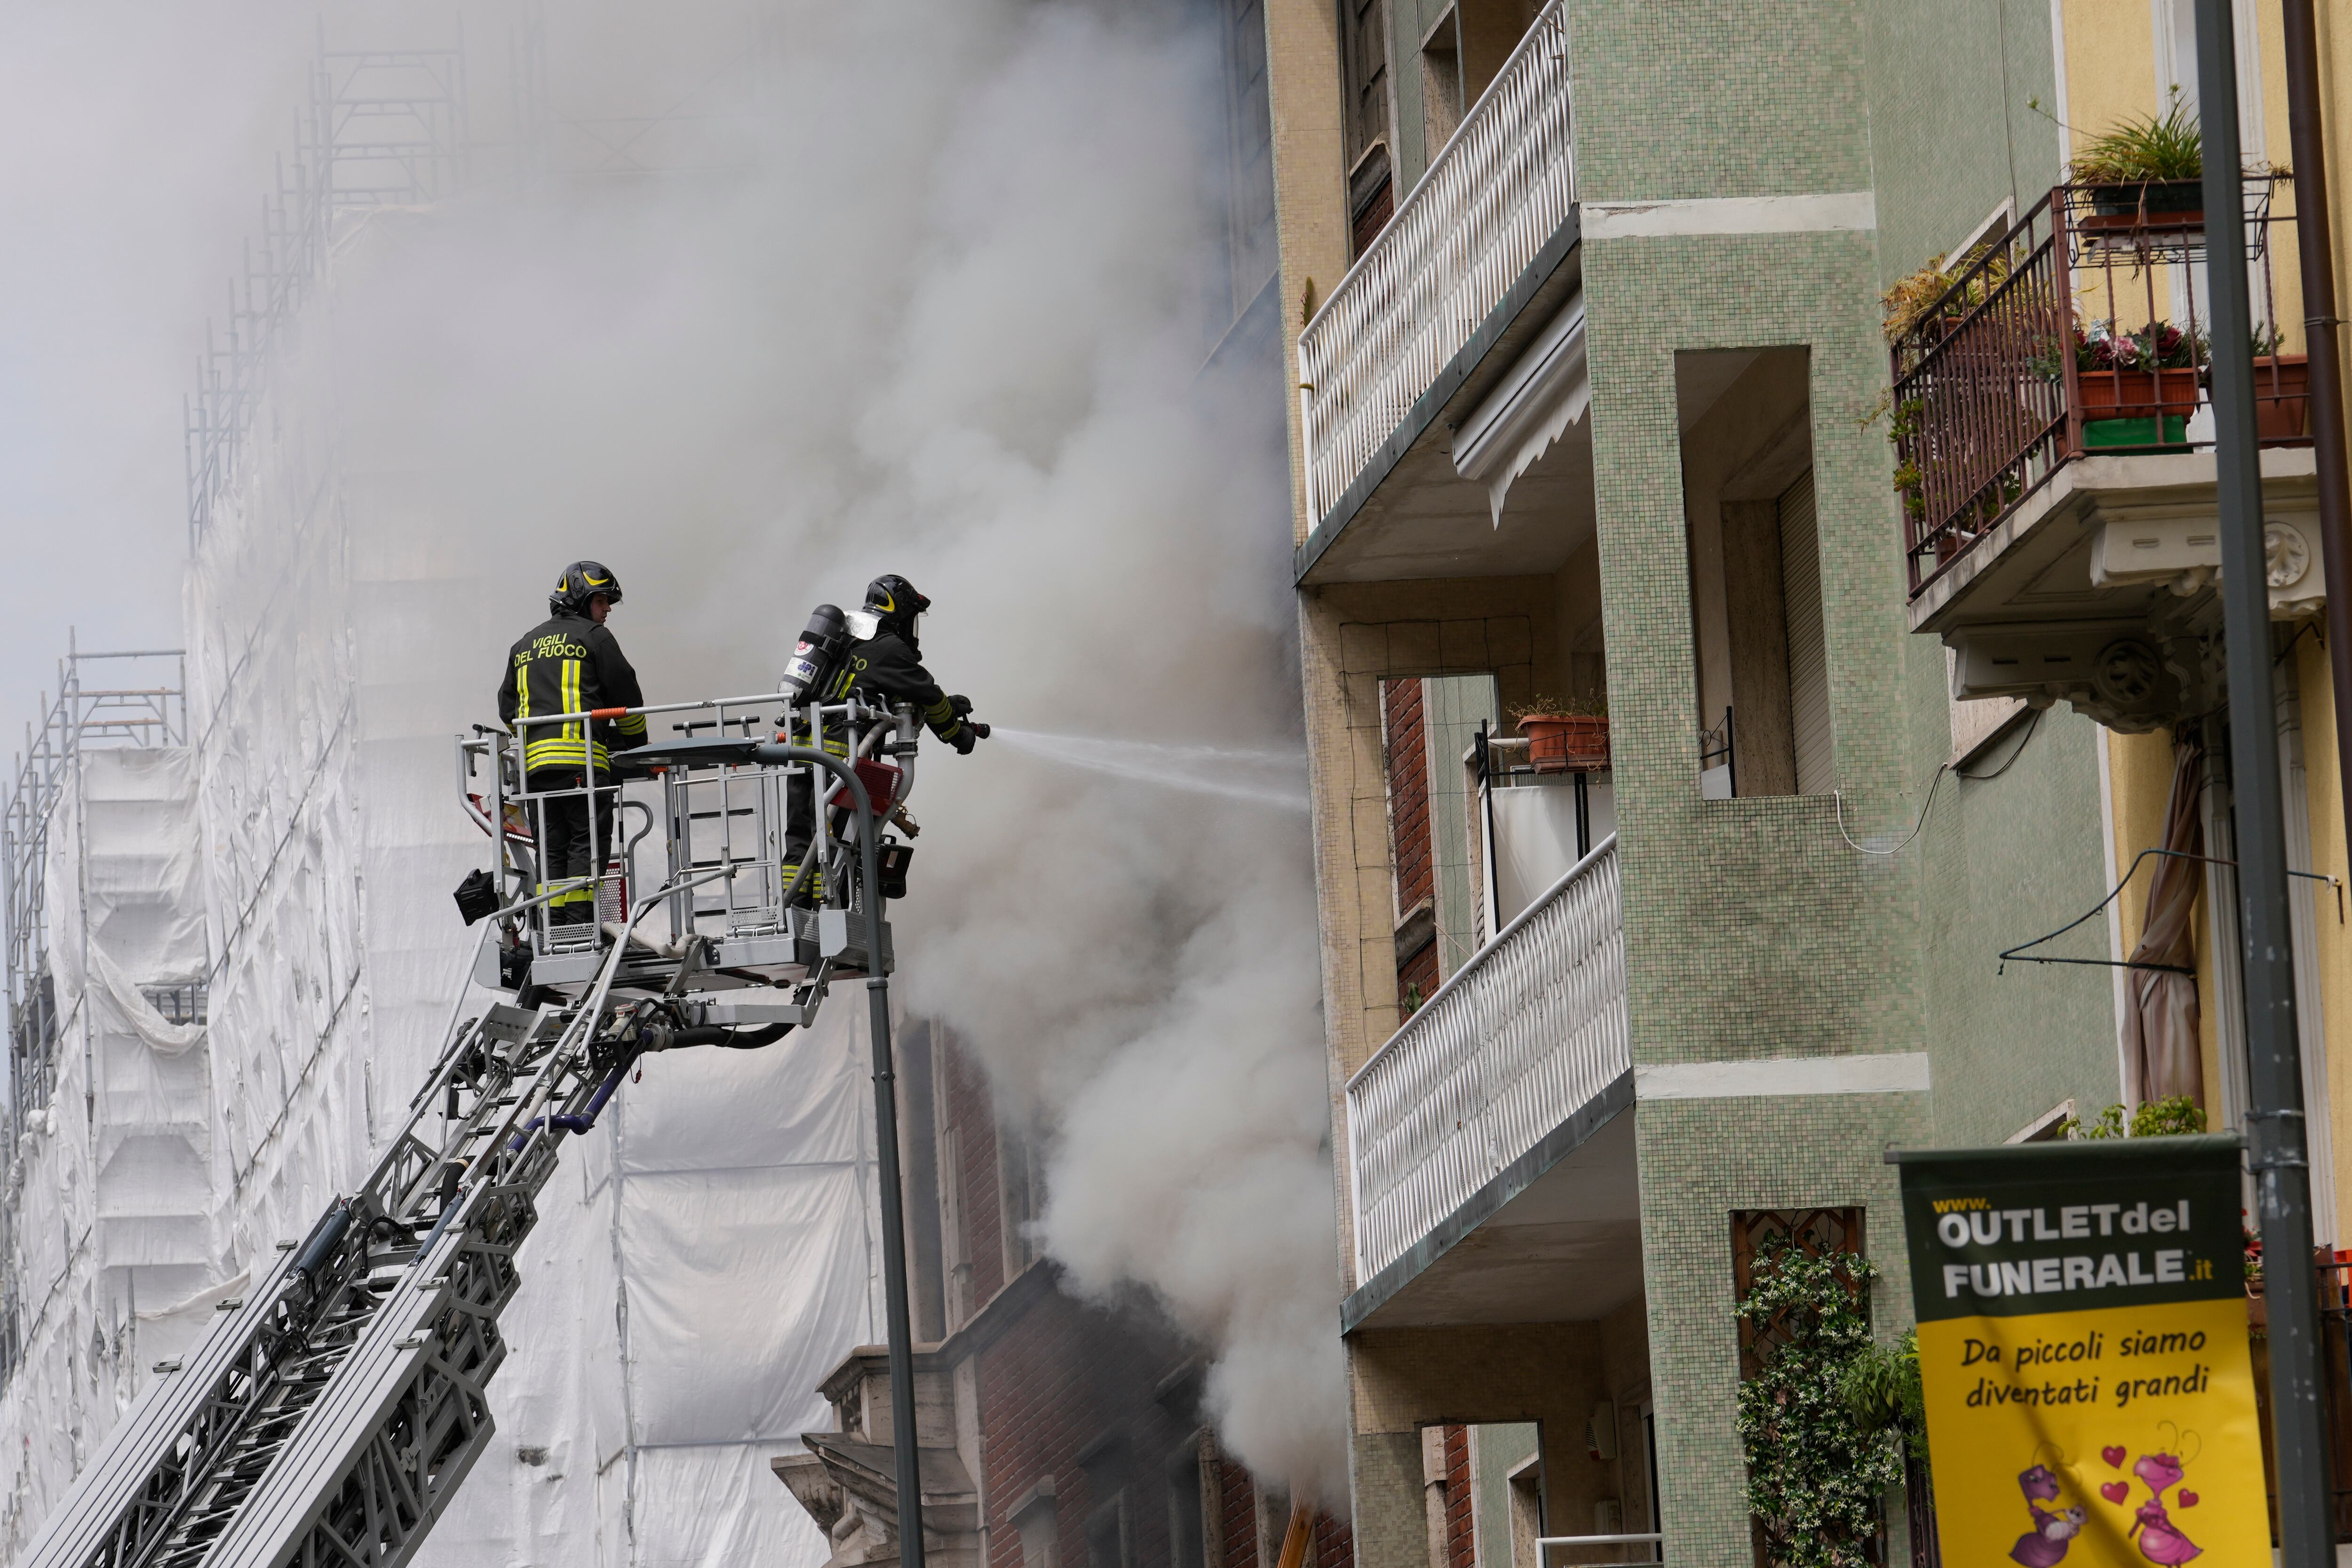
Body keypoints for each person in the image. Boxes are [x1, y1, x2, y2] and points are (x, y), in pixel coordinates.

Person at [783, 573, 984, 899]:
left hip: (801, 754)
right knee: (835, 842)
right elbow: (927, 694)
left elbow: (871, 688)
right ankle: (826, 906)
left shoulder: (847, 636)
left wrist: (945, 704)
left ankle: (791, 909)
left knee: (800, 842)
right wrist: (958, 734)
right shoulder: (889, 647)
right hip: (840, 760)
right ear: (900, 611)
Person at [498, 561, 648, 925]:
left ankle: (553, 930)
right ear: (580, 599)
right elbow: (627, 697)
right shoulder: (595, 638)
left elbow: (507, 710)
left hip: (537, 772)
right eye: (602, 601)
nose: (608, 609)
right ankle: (581, 929)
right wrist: (636, 746)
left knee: (552, 849)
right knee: (586, 844)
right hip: (582, 766)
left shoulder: (524, 645)